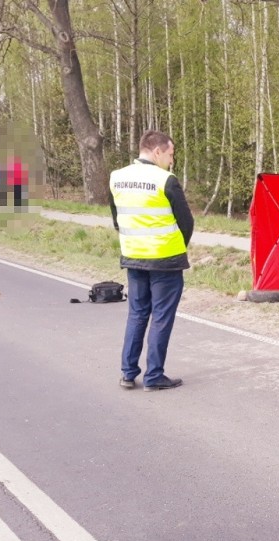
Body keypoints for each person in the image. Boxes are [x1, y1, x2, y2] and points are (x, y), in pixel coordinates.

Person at [109, 130, 194, 391]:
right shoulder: (165, 180)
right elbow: (186, 222)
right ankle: (154, 376)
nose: (171, 160)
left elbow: (117, 219)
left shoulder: (117, 178)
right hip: (165, 260)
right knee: (161, 317)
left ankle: (127, 372)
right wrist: (178, 247)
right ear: (157, 151)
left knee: (137, 314)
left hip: (133, 257)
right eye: (170, 154)